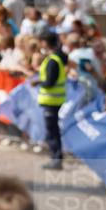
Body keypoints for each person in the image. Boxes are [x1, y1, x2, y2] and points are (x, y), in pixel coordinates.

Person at [35, 33, 67, 171]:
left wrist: (37, 81)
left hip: (52, 101)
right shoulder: (55, 58)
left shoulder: (53, 60)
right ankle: (55, 158)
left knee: (52, 131)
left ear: (45, 43)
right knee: (53, 130)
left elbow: (49, 82)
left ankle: (56, 159)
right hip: (53, 100)